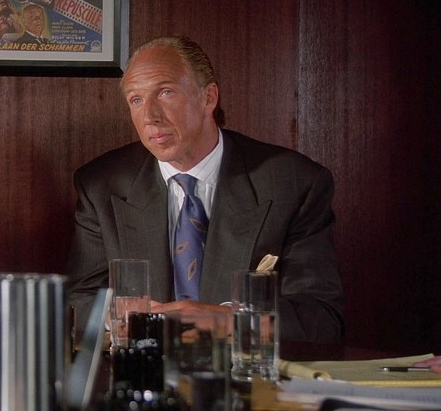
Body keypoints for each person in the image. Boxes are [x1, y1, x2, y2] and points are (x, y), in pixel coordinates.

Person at [66, 35, 345, 345]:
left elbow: (320, 319)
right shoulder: (101, 185)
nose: (149, 117)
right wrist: (117, 315)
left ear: (209, 97)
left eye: (166, 92)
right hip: (146, 367)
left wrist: (224, 320)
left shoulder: (293, 184)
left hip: (243, 369)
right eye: (136, 100)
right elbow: (77, 302)